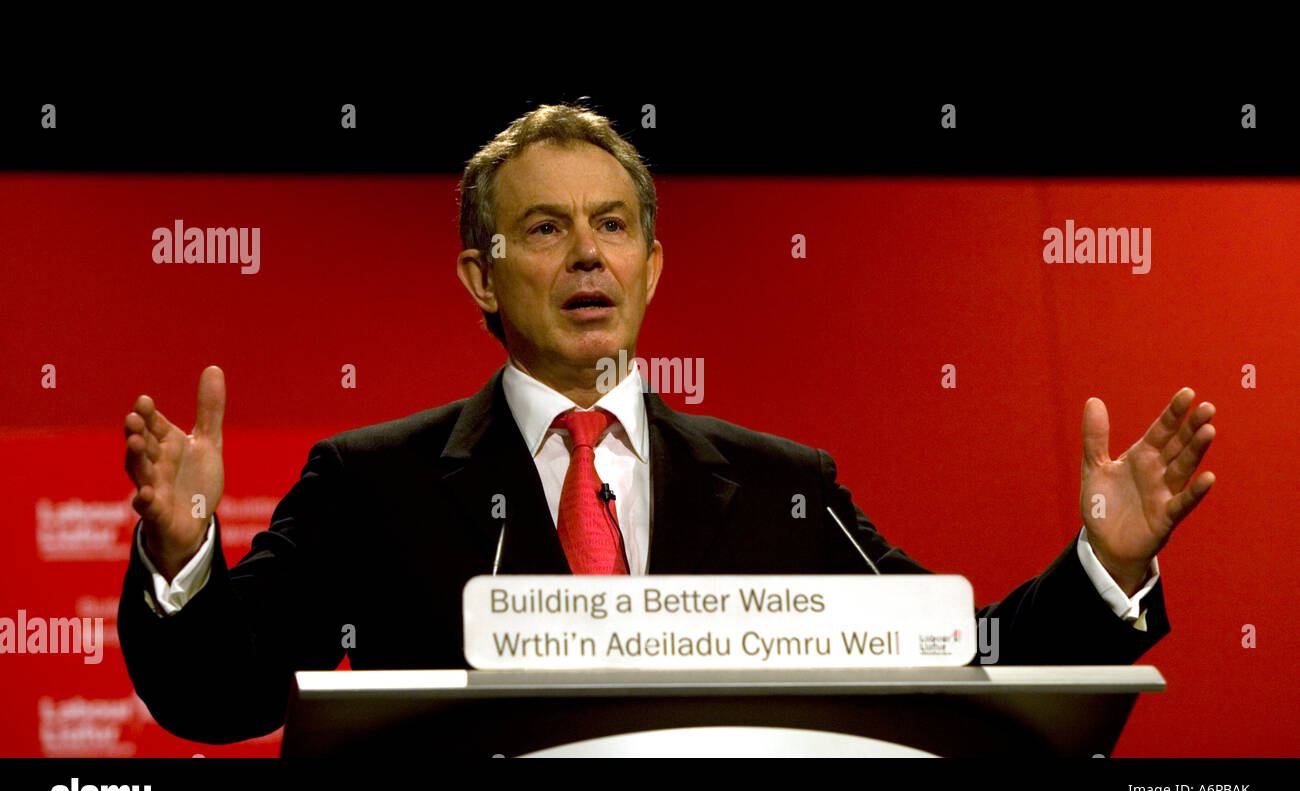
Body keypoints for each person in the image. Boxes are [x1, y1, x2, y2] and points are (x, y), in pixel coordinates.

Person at [119, 104, 1217, 745]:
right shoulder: (373, 483)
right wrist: (181, 556)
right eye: (544, 229)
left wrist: (1101, 571)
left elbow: (964, 676)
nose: (587, 254)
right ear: (482, 275)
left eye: (612, 226)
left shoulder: (782, 484)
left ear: (651, 264)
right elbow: (218, 691)